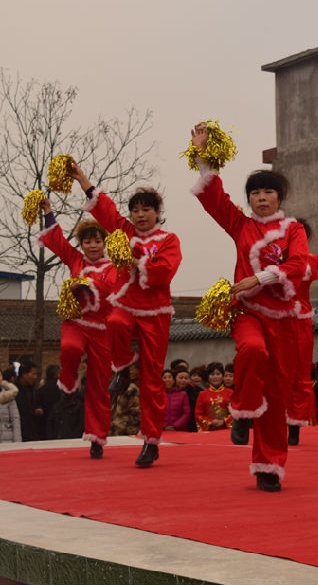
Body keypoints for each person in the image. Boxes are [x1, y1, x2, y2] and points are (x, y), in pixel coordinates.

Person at [189, 123, 310, 492]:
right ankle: (241, 412)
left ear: (279, 196)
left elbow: (298, 264)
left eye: (268, 192)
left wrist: (258, 278)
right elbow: (214, 198)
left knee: (276, 396)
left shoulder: (293, 230)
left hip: (283, 321)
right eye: (255, 193)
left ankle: (268, 467)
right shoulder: (240, 225)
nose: (261, 198)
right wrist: (202, 156)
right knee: (252, 350)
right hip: (247, 314)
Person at [74, 160, 182, 467]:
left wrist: (135, 263)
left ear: (157, 213)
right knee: (114, 321)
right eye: (135, 210)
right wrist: (82, 178)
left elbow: (165, 271)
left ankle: (151, 441)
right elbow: (105, 208)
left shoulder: (168, 240)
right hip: (126, 303)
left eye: (146, 210)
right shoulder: (125, 231)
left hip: (156, 312)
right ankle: (121, 368)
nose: (140, 215)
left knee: (151, 379)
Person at [38, 196, 119, 458]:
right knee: (70, 349)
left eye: (97, 241)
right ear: (81, 244)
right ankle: (69, 388)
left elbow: (110, 288)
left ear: (104, 243)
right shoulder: (76, 260)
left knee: (98, 385)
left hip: (101, 330)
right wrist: (48, 211)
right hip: (76, 323)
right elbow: (57, 241)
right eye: (87, 242)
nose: (92, 246)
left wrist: (86, 284)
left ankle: (96, 438)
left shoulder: (113, 268)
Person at [286, 219, 318, 446]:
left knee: (300, 374)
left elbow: (301, 273)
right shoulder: (275, 259)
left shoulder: (311, 260)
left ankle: (295, 425)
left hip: (301, 320)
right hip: (278, 319)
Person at [194, 361, 233, 431]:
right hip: (209, 431)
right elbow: (198, 414)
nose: (215, 377)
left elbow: (236, 412)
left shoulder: (230, 393)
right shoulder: (202, 394)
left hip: (227, 430)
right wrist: (211, 421)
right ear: (208, 377)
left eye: (218, 374)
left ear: (222, 376)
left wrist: (224, 421)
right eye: (212, 374)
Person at [109, 363, 141, 436]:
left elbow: (136, 414)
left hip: (127, 431)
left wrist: (128, 431)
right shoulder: (116, 388)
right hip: (115, 428)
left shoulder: (131, 389)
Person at [13, 360, 40, 442]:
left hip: (33, 433)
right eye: (33, 374)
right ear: (24, 375)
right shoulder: (14, 391)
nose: (35, 377)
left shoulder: (34, 390)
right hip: (19, 433)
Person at [0, 367, 22, 443]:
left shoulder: (8, 395)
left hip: (7, 439)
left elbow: (15, 419)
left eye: (0, 375)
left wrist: (17, 442)